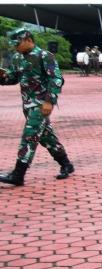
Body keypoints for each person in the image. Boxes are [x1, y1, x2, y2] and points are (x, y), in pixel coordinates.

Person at [0, 28, 75, 186]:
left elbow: (56, 79)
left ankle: (18, 174)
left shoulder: (45, 55)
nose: (15, 47)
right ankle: (66, 164)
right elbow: (14, 78)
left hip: (41, 104)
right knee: (47, 137)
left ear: (28, 40)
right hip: (27, 104)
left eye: (17, 43)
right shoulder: (17, 57)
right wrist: (3, 76)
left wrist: (49, 101)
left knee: (29, 136)